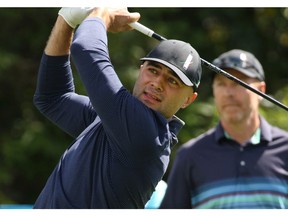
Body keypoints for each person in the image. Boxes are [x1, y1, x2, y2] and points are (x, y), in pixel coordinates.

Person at [33, 7, 202, 209]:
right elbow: (53, 97)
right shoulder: (113, 122)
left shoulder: (145, 135)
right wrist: (66, 21)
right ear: (141, 70)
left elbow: (86, 48)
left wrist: (102, 14)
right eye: (153, 70)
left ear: (188, 100)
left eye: (172, 81)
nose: (157, 83)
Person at [160, 49, 288, 209]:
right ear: (214, 90)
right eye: (221, 84)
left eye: (238, 83)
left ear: (261, 90)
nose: (228, 93)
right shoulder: (190, 156)